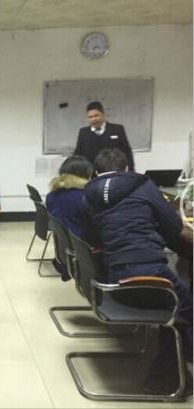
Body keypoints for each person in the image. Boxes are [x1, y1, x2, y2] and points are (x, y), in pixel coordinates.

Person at [83, 148, 192, 394]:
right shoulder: (144, 186)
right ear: (126, 168)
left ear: (96, 172)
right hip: (152, 277)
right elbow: (173, 225)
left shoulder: (88, 195)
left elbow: (92, 237)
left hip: (115, 281)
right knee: (186, 307)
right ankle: (166, 377)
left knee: (178, 305)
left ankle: (176, 366)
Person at [46, 155, 92, 280]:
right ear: (84, 175)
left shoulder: (51, 196)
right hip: (83, 253)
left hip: (64, 253)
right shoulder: (84, 198)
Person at [74, 101, 135, 171]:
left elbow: (127, 152)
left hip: (115, 171)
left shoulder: (117, 129)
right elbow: (78, 154)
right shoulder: (83, 132)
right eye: (90, 117)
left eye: (96, 116)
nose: (93, 119)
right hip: (92, 173)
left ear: (103, 114)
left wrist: (131, 171)